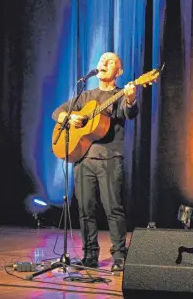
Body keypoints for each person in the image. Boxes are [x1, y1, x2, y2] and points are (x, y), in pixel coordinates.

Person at [52, 52, 138, 272]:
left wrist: (130, 98)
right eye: (102, 60)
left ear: (118, 72)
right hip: (83, 159)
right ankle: (90, 255)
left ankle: (119, 256)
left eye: (110, 62)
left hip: (110, 158)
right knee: (85, 210)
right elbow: (57, 113)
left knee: (113, 209)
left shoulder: (119, 94)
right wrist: (70, 117)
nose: (104, 63)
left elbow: (130, 113)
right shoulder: (87, 95)